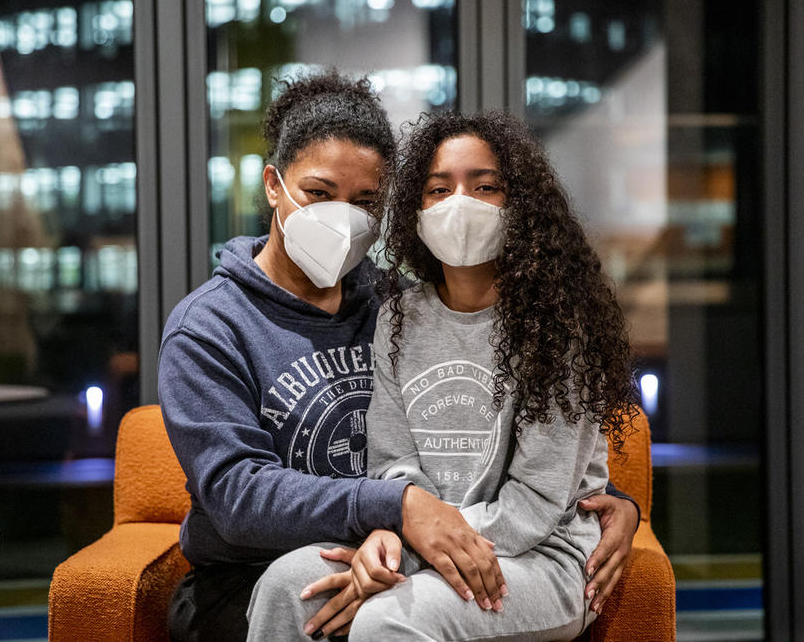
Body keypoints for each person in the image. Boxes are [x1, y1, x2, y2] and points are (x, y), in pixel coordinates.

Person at [159, 72, 639, 641]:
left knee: (383, 618)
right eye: (317, 193)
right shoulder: (209, 327)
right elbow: (237, 496)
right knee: (295, 591)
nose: (340, 217)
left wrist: (617, 502)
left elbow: (550, 461)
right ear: (273, 185)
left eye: (364, 202)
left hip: (401, 543)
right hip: (255, 568)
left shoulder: (387, 299)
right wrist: (399, 512)